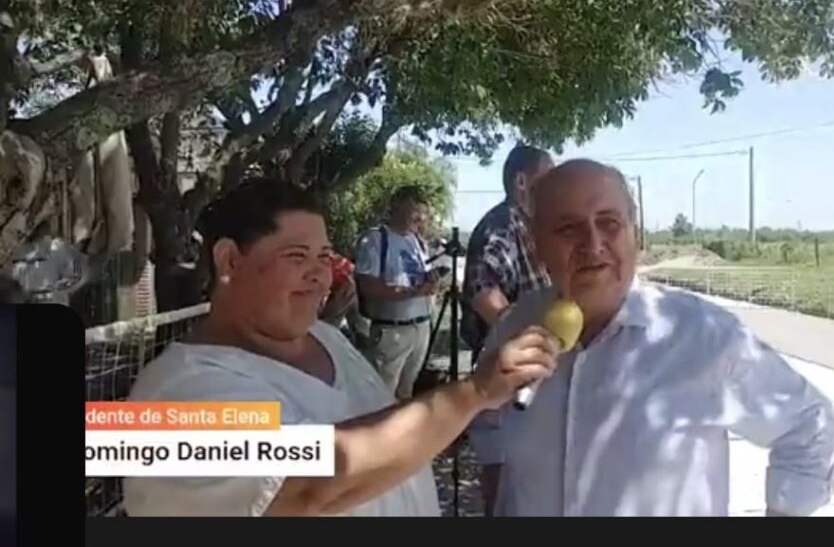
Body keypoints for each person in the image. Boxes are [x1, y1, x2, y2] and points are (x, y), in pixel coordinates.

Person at [122, 178, 558, 517]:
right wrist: (474, 393)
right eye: (297, 256)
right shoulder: (173, 396)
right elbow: (312, 484)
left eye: (324, 257)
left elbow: (376, 430)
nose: (320, 275)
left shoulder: (325, 336)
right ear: (230, 261)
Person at [469, 159, 834, 516]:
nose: (593, 244)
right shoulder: (514, 329)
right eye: (569, 229)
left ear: (636, 235)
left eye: (609, 223)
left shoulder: (704, 337)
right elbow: (489, 428)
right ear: (536, 246)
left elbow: (809, 424)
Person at [460, 144, 553, 514]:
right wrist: (522, 341)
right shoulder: (502, 225)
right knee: (505, 493)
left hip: (530, 380)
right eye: (549, 176)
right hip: (507, 383)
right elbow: (482, 291)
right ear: (522, 182)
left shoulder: (528, 226)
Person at [354, 186, 439, 400]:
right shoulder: (375, 239)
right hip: (393, 331)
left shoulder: (417, 241)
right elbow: (367, 285)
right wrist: (413, 292)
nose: (420, 218)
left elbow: (418, 278)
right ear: (397, 207)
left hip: (421, 328)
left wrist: (431, 281)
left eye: (423, 212)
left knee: (406, 393)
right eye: (415, 211)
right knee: (382, 394)